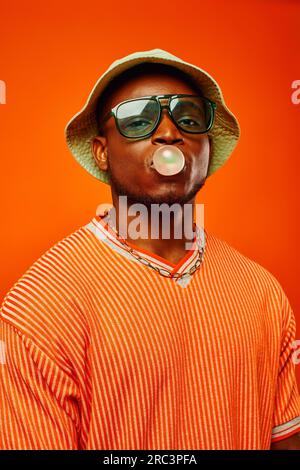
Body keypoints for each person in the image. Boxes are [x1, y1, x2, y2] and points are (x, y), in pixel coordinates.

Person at [0, 48, 299, 450]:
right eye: (138, 120)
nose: (169, 134)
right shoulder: (40, 306)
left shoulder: (263, 294)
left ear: (207, 150)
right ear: (102, 152)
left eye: (189, 119)